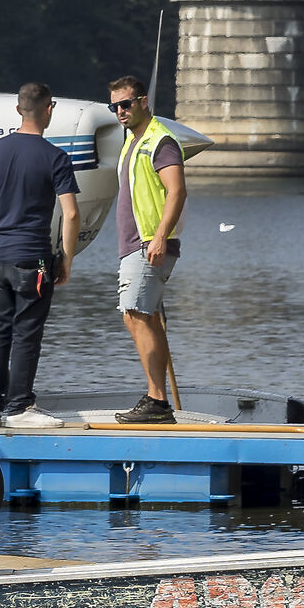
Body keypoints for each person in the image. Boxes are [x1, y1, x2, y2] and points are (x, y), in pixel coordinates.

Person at [0, 82, 81, 429]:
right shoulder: (55, 157)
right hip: (30, 257)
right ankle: (19, 407)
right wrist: (66, 258)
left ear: (18, 110)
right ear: (49, 109)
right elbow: (72, 213)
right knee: (27, 332)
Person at [105, 74, 188, 424]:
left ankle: (156, 401)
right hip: (133, 245)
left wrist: (159, 236)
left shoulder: (160, 141)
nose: (120, 112)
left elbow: (177, 191)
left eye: (126, 104)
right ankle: (157, 399)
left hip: (149, 243)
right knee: (139, 315)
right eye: (115, 107)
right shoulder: (132, 141)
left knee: (136, 314)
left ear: (142, 101)